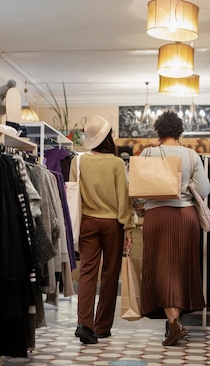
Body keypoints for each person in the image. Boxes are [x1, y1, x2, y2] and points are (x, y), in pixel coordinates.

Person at [139, 110, 210, 346]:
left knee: (160, 267)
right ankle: (174, 323)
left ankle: (174, 324)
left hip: (157, 215)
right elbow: (204, 190)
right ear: (180, 131)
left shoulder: (149, 152)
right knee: (181, 267)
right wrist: (186, 184)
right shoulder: (191, 155)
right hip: (185, 216)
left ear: (158, 131)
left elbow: (136, 186)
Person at [71, 115, 134, 344]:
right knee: (109, 274)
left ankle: (83, 324)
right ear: (107, 137)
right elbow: (122, 199)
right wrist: (128, 228)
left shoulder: (77, 162)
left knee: (87, 272)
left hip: (87, 221)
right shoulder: (116, 163)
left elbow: (73, 195)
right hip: (112, 224)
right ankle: (101, 327)